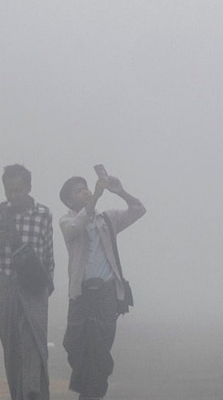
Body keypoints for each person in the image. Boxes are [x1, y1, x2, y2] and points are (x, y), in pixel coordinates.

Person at [59, 171, 146, 400]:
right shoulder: (67, 220)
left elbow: (139, 210)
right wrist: (95, 198)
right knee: (73, 343)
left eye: (85, 187)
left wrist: (120, 191)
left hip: (107, 292)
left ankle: (92, 395)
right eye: (78, 191)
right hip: (81, 293)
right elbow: (73, 230)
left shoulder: (107, 218)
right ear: (69, 201)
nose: (85, 192)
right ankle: (88, 391)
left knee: (100, 348)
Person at [0, 164, 55, 400]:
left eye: (18, 190)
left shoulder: (43, 214)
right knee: (12, 348)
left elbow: (48, 253)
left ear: (29, 188)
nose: (14, 195)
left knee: (34, 344)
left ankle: (34, 393)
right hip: (7, 285)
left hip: (34, 288)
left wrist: (47, 286)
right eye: (9, 191)